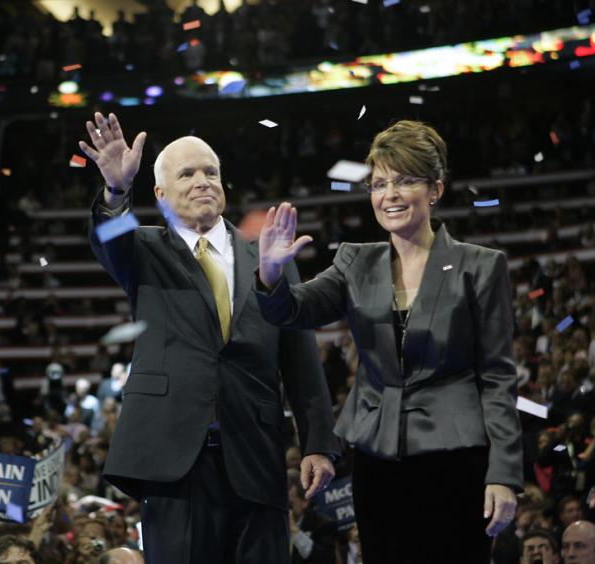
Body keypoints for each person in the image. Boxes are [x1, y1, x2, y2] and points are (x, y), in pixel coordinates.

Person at [254, 120, 522, 562]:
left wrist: (504, 474)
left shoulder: (480, 267)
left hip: (458, 459)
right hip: (377, 460)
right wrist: (270, 274)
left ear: (435, 189)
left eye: (405, 180)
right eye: (379, 184)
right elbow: (291, 311)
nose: (390, 194)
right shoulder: (355, 262)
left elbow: (498, 378)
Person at [80, 112, 339, 563]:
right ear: (160, 194)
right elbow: (108, 237)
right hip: (173, 461)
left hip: (255, 456)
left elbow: (300, 358)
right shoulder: (143, 250)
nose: (202, 181)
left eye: (210, 172)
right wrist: (117, 190)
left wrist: (317, 442)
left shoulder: (267, 255)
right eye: (187, 174)